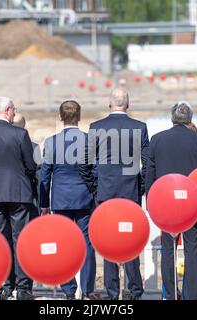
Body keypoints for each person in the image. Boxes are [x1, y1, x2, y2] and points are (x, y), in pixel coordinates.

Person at [145, 101, 197, 300]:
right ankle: (192, 295)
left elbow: (150, 174)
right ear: (190, 119)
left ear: (172, 118)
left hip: (166, 203)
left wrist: (151, 202)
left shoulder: (157, 140)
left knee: (168, 251)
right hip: (193, 203)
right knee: (192, 252)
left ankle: (171, 294)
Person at [87, 88, 149, 300]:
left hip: (105, 193)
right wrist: (140, 187)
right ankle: (135, 289)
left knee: (109, 241)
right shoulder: (140, 127)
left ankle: (112, 292)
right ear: (128, 104)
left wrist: (95, 187)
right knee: (131, 240)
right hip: (130, 192)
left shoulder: (96, 128)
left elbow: (85, 164)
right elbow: (147, 164)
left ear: (109, 104)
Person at [0, 97, 37, 300]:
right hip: (18, 192)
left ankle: (2, 286)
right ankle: (22, 289)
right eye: (14, 110)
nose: (14, 113)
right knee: (20, 240)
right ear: (8, 110)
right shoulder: (20, 134)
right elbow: (31, 166)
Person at [39, 100, 97, 300]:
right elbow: (94, 172)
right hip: (84, 198)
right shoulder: (88, 140)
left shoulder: (51, 142)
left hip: (60, 199)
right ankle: (87, 289)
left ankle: (69, 290)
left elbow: (44, 176)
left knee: (63, 244)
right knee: (87, 243)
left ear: (60, 116)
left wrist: (44, 203)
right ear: (79, 117)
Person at [12, 112, 41, 219]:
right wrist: (42, 202)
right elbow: (39, 176)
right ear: (24, 126)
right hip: (28, 198)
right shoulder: (34, 147)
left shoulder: (0, 147)